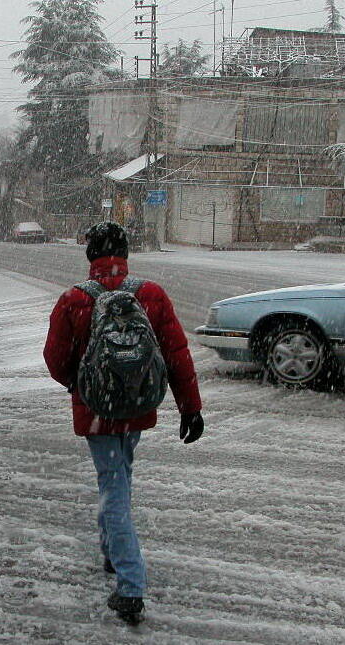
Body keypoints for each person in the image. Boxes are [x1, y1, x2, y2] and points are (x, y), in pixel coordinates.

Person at [43, 222, 203, 623]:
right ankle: (112, 552)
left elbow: (55, 360)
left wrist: (81, 385)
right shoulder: (150, 295)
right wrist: (190, 407)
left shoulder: (73, 300)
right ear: (126, 255)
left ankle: (130, 587)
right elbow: (176, 353)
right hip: (137, 406)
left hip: (97, 410)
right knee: (118, 478)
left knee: (114, 488)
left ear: (90, 257)